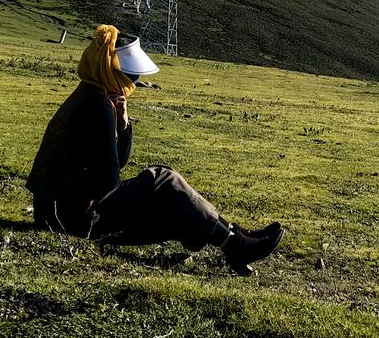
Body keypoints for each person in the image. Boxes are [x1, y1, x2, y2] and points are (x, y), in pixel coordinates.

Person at [26, 24, 283, 275]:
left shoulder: (89, 93)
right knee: (164, 179)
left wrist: (123, 125)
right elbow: (110, 178)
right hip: (72, 221)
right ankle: (234, 242)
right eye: (128, 72)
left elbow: (115, 164)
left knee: (166, 182)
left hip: (58, 212)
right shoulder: (98, 105)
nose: (133, 80)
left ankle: (234, 237)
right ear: (111, 68)